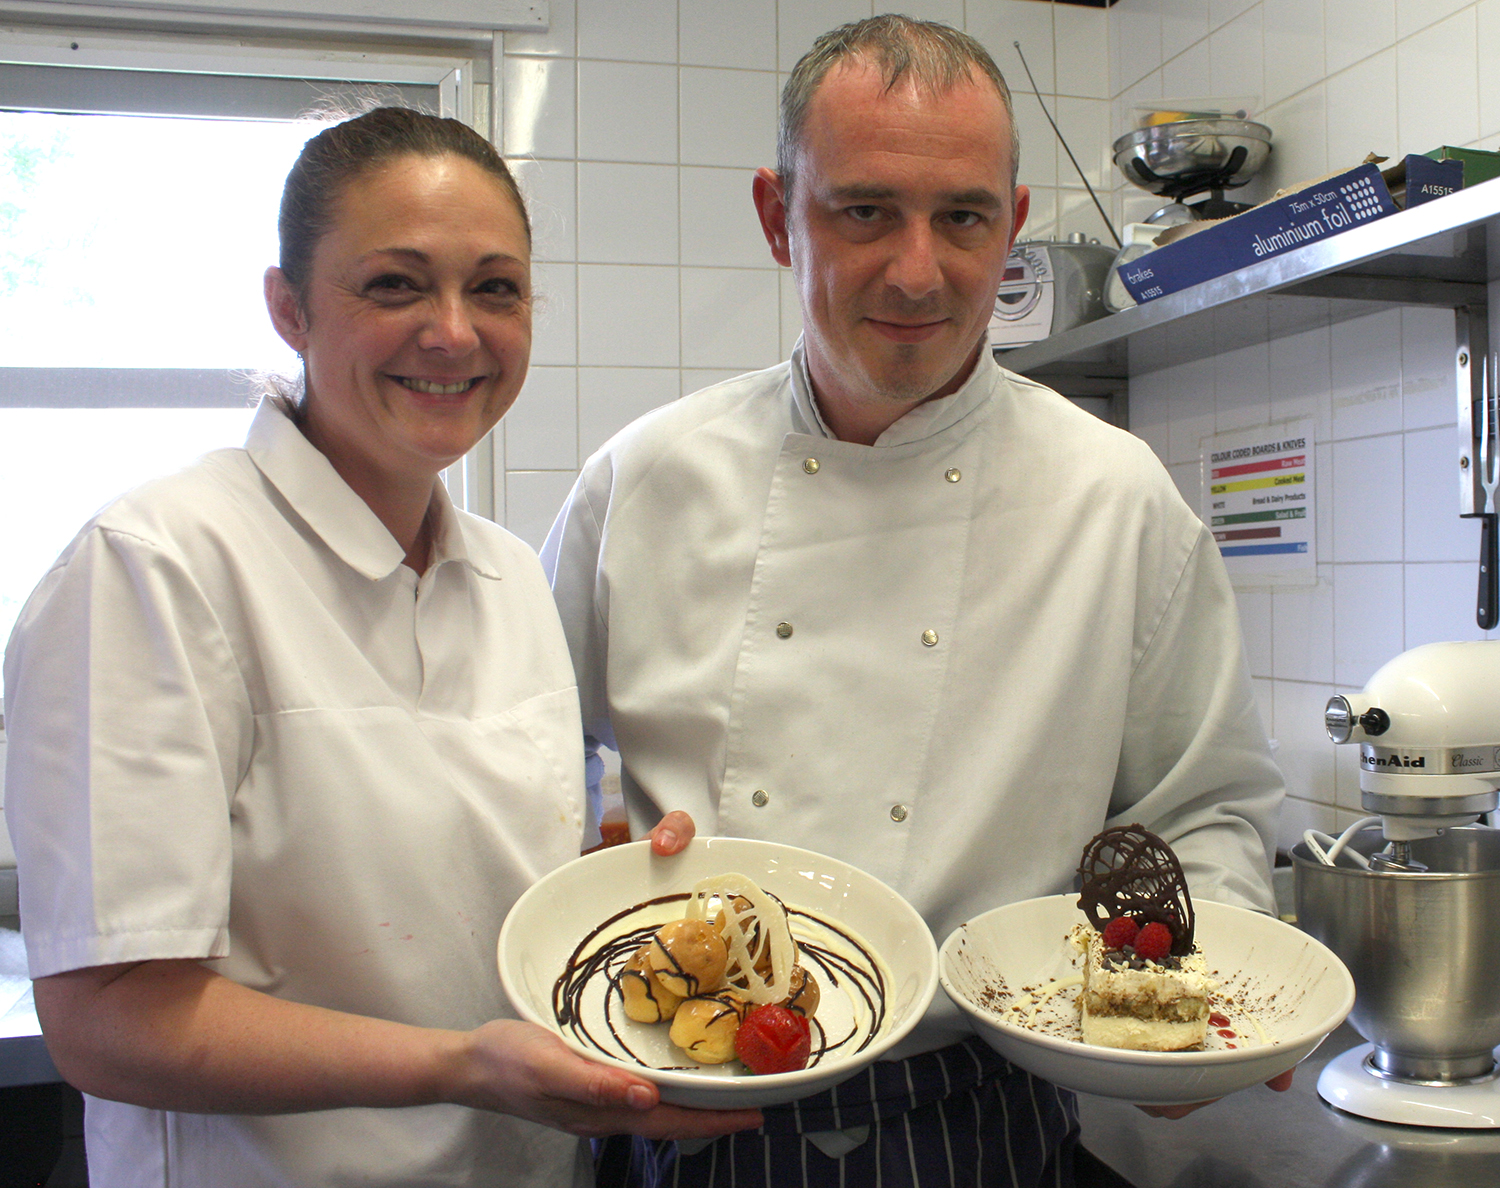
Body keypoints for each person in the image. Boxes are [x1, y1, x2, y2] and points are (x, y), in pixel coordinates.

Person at [542, 16, 1286, 1188]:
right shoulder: (640, 482)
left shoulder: (1116, 500)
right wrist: (590, 854)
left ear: (1014, 228)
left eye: (963, 218)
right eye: (864, 210)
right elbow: (535, 780)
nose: (917, 270)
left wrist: (1190, 993)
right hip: (688, 1111)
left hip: (984, 1110)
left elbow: (1207, 812)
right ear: (776, 216)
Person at [2, 106, 757, 1187]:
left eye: (495, 288)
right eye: (395, 284)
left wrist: (619, 878)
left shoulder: (507, 578)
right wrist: (460, 1066)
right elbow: (110, 1021)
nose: (453, 331)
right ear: (289, 308)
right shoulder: (157, 567)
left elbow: (457, 889)